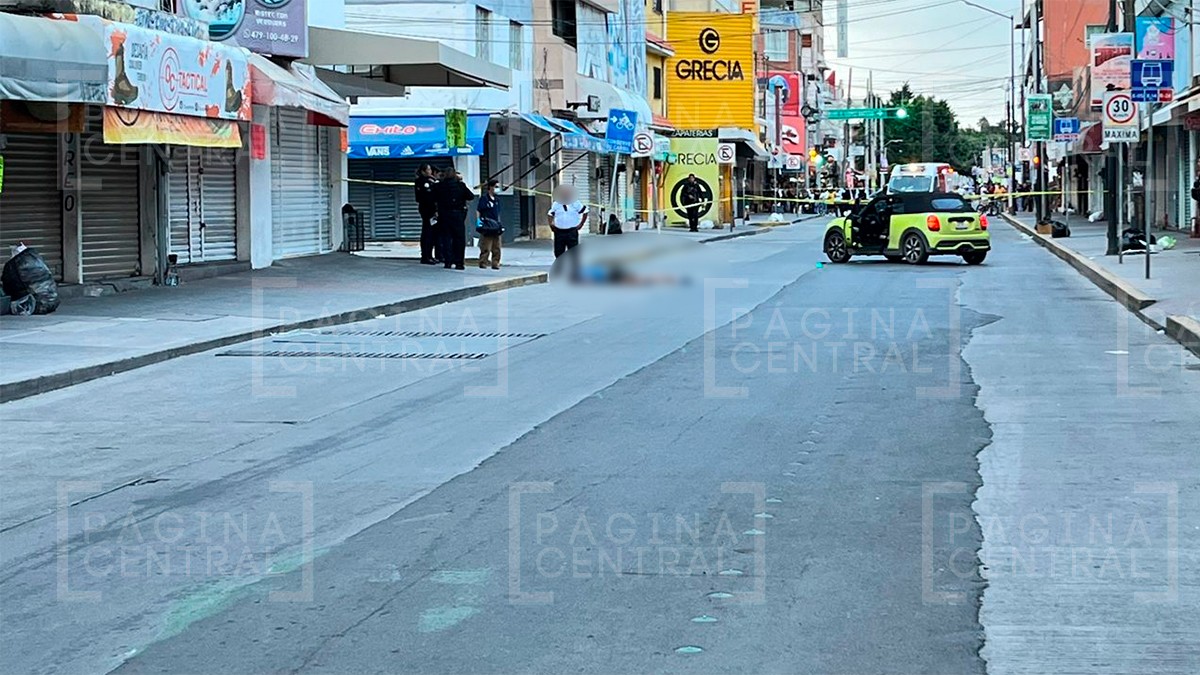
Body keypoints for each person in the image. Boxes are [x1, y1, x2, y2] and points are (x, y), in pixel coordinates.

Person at [433, 166, 474, 270]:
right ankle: (459, 262)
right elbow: (471, 196)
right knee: (459, 239)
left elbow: (433, 197)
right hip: (458, 214)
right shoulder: (460, 185)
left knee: (446, 238)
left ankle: (448, 261)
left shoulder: (439, 186)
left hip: (444, 215)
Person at [549, 184, 588, 258]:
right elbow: (550, 214)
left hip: (571, 231)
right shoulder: (556, 204)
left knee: (573, 253)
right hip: (559, 232)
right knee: (559, 252)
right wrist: (551, 224)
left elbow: (585, 212)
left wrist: (581, 224)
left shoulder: (575, 203)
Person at [414, 164, 440, 264]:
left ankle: (429, 254)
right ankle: (425, 256)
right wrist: (434, 211)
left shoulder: (431, 180)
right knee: (427, 233)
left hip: (431, 209)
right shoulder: (423, 182)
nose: (430, 171)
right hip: (427, 210)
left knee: (432, 233)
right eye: (428, 169)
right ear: (423, 171)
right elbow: (427, 197)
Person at [476, 179, 503, 269]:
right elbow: (478, 211)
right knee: (486, 245)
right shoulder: (484, 199)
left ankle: (495, 263)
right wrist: (479, 222)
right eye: (496, 187)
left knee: (497, 246)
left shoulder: (497, 200)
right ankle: (483, 262)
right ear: (490, 187)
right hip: (487, 225)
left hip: (496, 225)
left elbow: (498, 213)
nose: (497, 189)